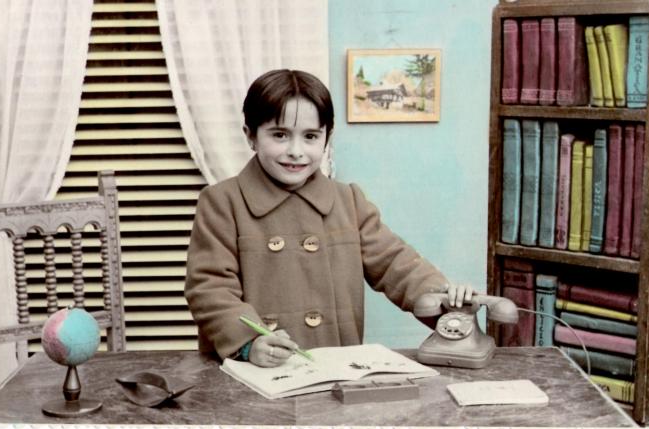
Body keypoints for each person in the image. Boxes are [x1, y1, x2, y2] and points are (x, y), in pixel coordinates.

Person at [185, 69, 474, 368]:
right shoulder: (222, 202)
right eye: (280, 135)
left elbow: (395, 264)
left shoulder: (348, 200)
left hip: (334, 367)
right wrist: (248, 343)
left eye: (310, 136)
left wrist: (444, 297)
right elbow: (210, 288)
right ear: (251, 136)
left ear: (326, 139)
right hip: (257, 367)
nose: (296, 151)